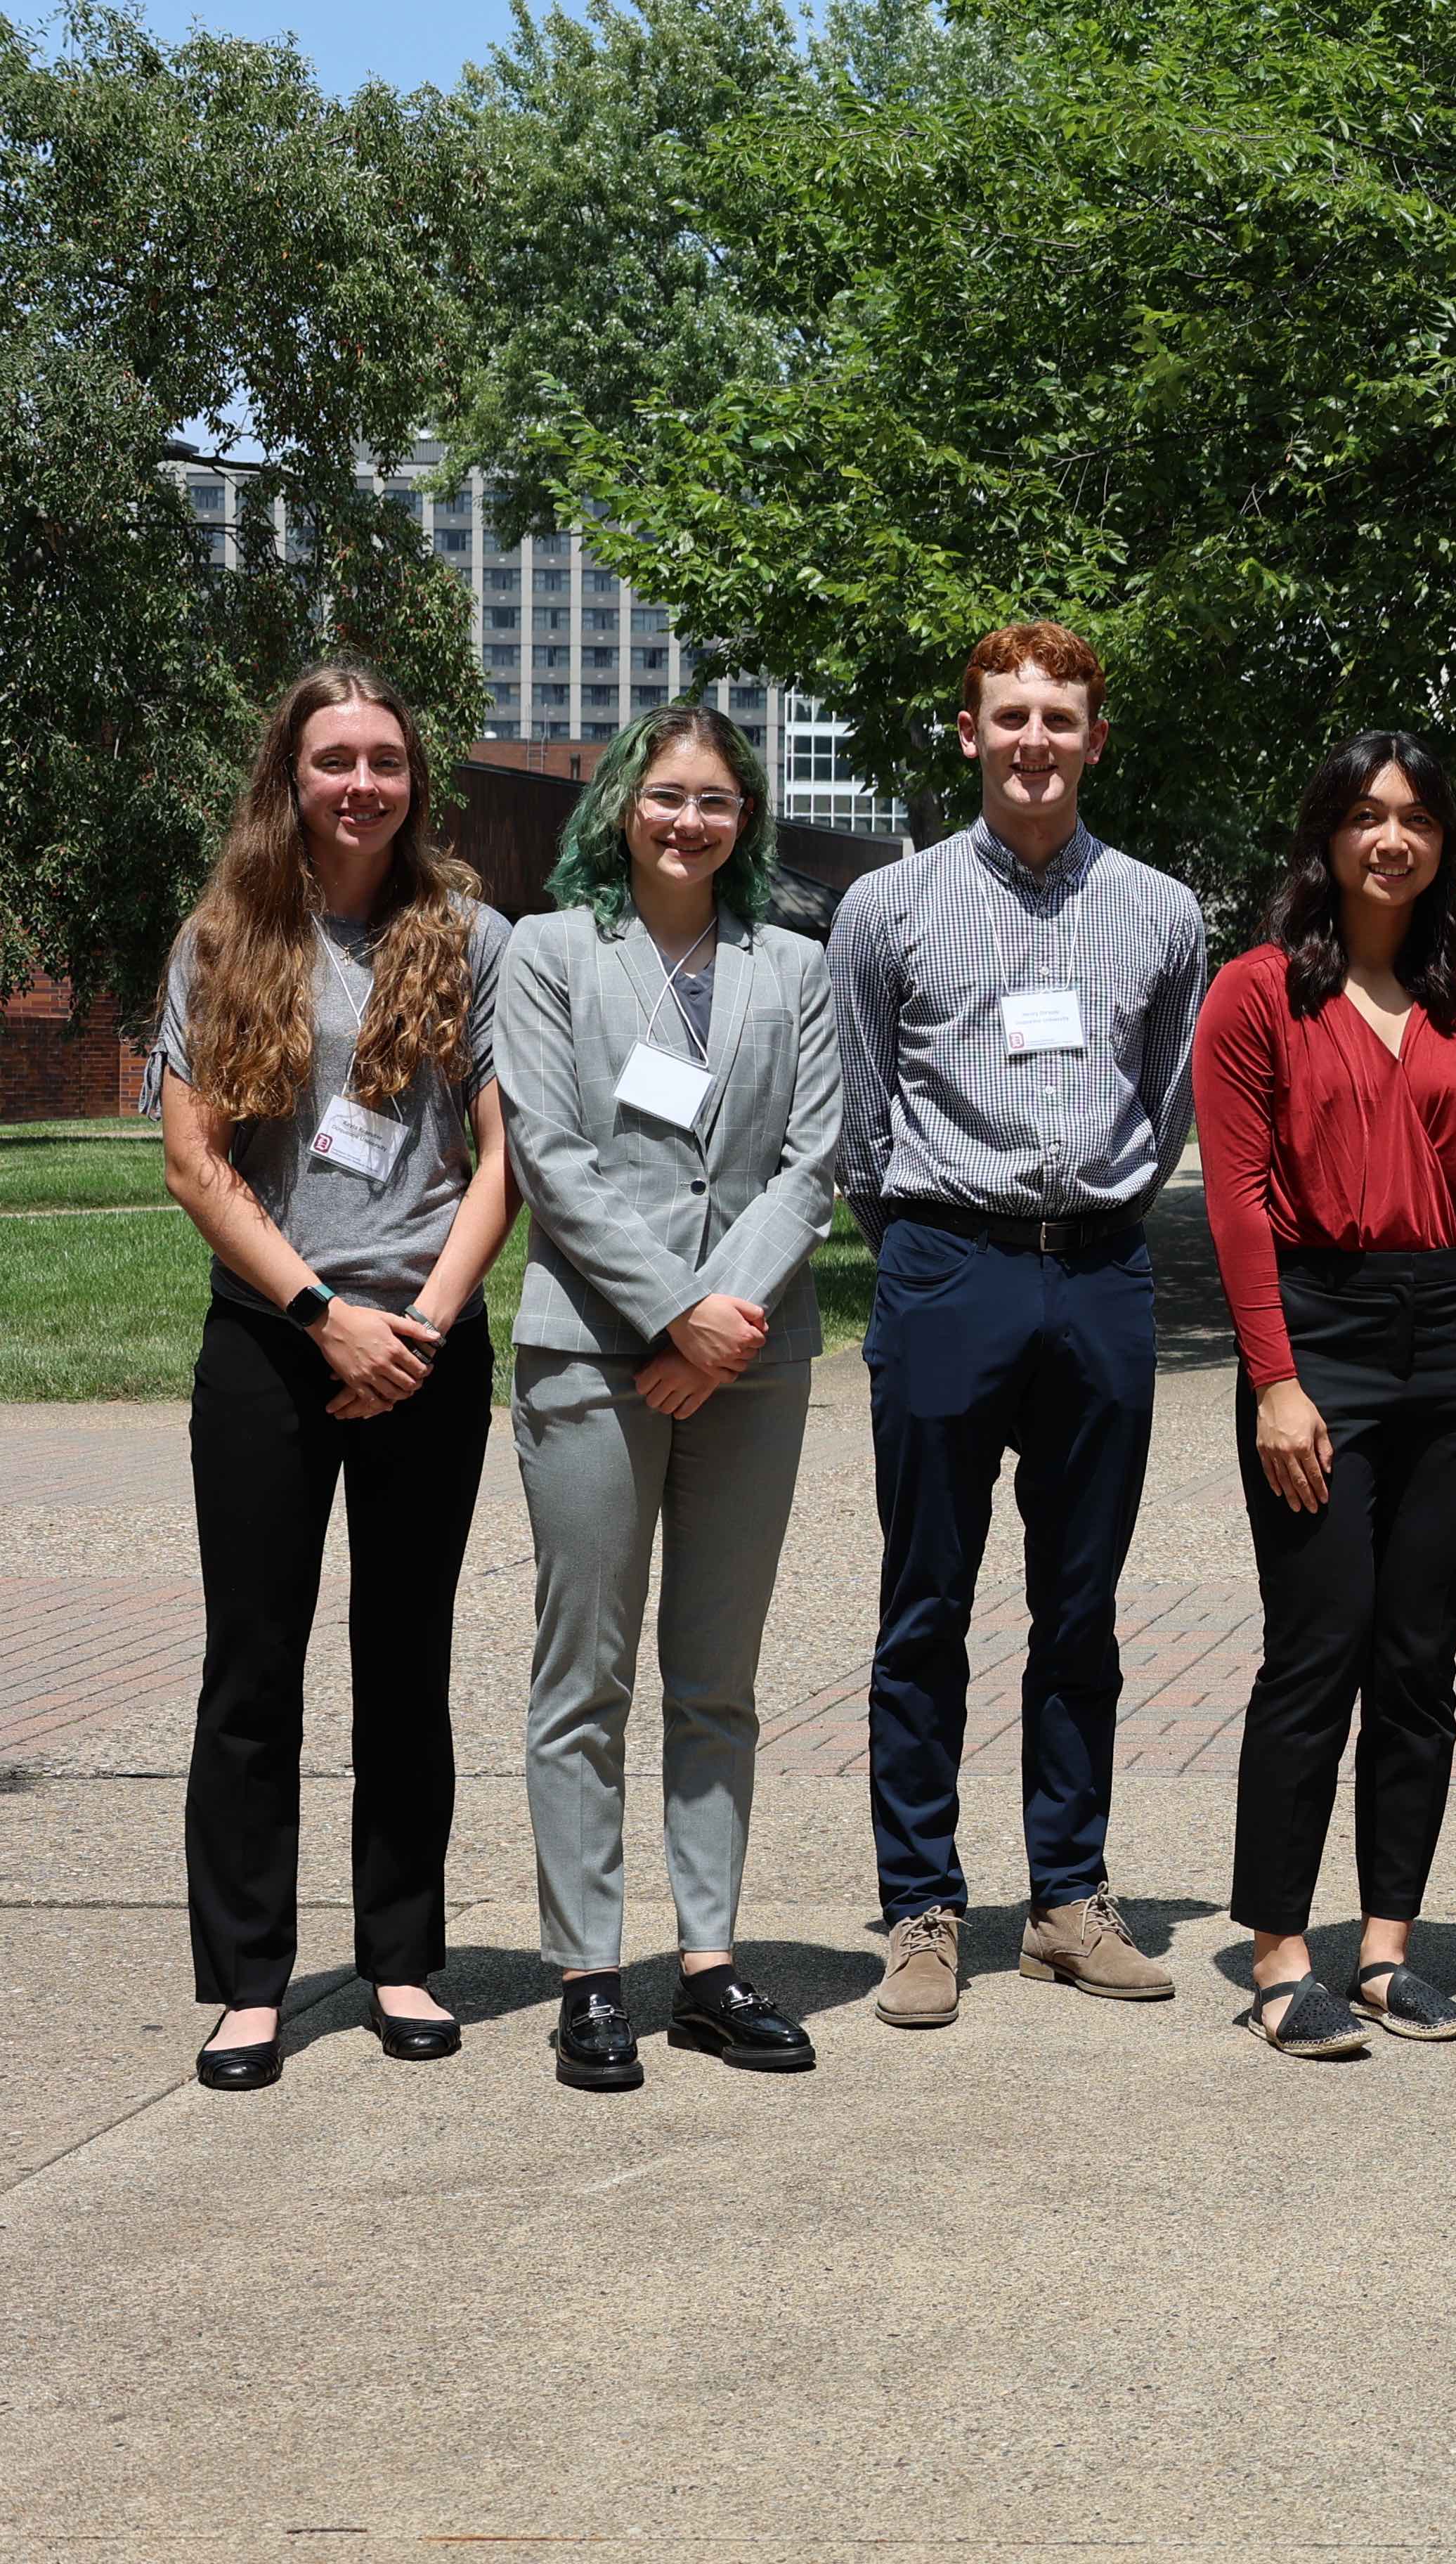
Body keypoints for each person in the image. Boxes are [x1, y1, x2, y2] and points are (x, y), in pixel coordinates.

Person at [828, 621, 1209, 2028]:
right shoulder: (889, 909)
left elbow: (1168, 1095)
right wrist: (925, 1244)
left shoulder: (1164, 914)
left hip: (1102, 1274)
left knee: (1082, 1606)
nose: (1036, 742)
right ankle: (923, 1905)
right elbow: (861, 1111)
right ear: (970, 733)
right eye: (1012, 718)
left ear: (1095, 738)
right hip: (945, 1262)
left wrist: (1106, 1213)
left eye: (1062, 718)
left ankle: (1066, 1897)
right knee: (925, 1603)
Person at [154, 663, 516, 2092]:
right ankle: (250, 1981)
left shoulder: (469, 935)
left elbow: (506, 1160)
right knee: (253, 1666)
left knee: (405, 1660)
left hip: (427, 1340)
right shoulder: (220, 936)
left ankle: (403, 1958)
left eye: (385, 759)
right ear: (289, 779)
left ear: (415, 779)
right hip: (268, 1343)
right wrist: (322, 1316)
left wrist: (414, 1326)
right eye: (333, 760)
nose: (362, 782)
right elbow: (194, 1165)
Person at [499, 704, 841, 2092]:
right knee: (583, 1676)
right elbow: (550, 1151)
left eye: (715, 800)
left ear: (744, 818)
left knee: (717, 1680)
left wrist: (722, 1324)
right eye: (666, 796)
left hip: (752, 1362)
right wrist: (669, 1313)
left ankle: (707, 1964)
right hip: (591, 1351)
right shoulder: (548, 951)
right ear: (622, 808)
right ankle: (590, 1972)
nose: (689, 821)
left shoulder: (794, 966)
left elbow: (813, 1157)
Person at [1195, 732, 1456, 2061]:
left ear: (1445, 846)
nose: (1393, 840)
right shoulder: (1258, 993)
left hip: (1452, 1334)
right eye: (1368, 816)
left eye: (1418, 820)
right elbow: (1235, 1201)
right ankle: (1283, 1955)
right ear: (1326, 836)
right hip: (1319, 1333)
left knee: (1421, 1663)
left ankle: (1388, 1948)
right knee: (1317, 1648)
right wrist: (1275, 1380)